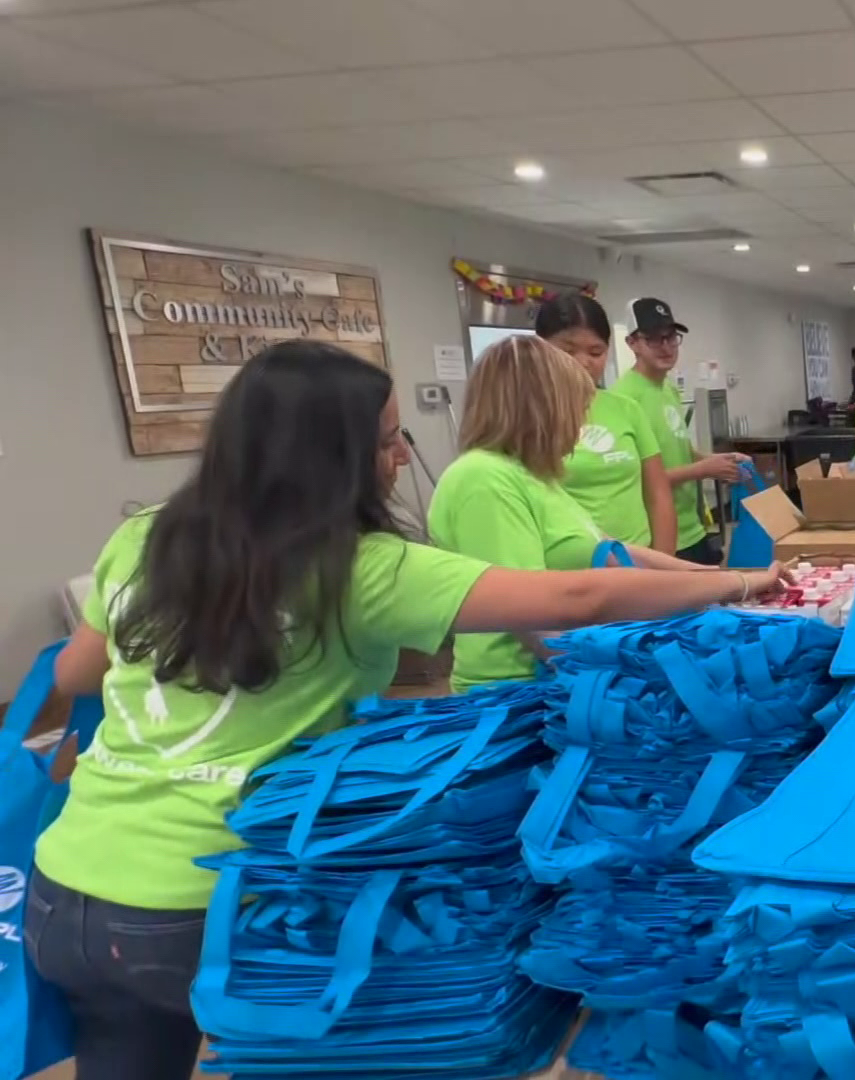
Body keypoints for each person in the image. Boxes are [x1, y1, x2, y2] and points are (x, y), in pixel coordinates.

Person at [31, 341, 785, 1080]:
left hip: (67, 885)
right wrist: (741, 584)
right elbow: (574, 597)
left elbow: (77, 671)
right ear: (331, 456)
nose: (399, 457)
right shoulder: (357, 567)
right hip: (222, 891)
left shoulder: (142, 536)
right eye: (388, 440)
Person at [431, 335, 736, 692]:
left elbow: (614, 553)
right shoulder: (484, 479)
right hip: (518, 687)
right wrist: (615, 679)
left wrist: (718, 581)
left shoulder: (537, 477)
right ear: (542, 411)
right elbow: (527, 613)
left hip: (560, 672)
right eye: (576, 411)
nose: (579, 428)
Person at [609, 297, 751, 565]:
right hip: (658, 537)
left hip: (692, 527)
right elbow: (637, 477)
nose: (665, 347)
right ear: (632, 343)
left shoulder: (668, 388)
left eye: (671, 338)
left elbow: (680, 450)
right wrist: (704, 470)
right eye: (653, 339)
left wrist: (717, 460)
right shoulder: (624, 399)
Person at [535, 293, 677, 554]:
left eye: (596, 352)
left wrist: (665, 569)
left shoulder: (625, 409)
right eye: (567, 351)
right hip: (571, 572)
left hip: (638, 563)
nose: (582, 362)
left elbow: (658, 496)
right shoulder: (527, 416)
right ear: (540, 348)